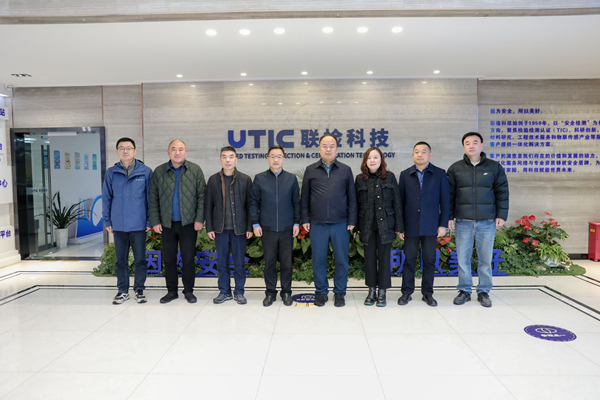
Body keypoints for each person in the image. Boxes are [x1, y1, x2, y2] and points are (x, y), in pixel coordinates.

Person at [447, 132, 509, 308]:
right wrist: (449, 217)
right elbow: (449, 195)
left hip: (486, 221)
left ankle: (484, 291)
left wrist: (501, 214)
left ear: (481, 145)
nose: (471, 146)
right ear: (463, 147)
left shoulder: (494, 167)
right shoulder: (455, 168)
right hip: (463, 221)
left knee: (485, 259)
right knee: (462, 259)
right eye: (467, 143)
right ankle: (464, 290)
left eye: (475, 142)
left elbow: (502, 192)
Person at [301, 134, 357, 307]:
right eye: (324, 146)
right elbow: (304, 198)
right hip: (318, 224)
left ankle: (339, 292)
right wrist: (305, 219)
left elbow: (352, 197)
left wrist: (352, 219)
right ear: (319, 148)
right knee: (318, 260)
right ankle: (321, 292)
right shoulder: (310, 170)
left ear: (337, 149)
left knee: (341, 260)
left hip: (340, 223)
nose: (328, 149)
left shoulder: (345, 170)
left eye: (332, 146)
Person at [149, 140, 206, 304]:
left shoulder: (195, 170)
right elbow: (153, 197)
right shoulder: (159, 171)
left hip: (188, 223)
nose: (177, 152)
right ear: (168, 152)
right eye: (173, 149)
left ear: (186, 152)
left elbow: (202, 196)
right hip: (166, 224)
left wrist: (199, 219)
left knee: (188, 259)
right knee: (169, 260)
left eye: (181, 149)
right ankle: (171, 291)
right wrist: (155, 221)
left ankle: (188, 291)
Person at [398, 141, 450, 307]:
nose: (419, 154)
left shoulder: (439, 174)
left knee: (429, 260)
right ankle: (406, 292)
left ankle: (427, 293)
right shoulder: (405, 175)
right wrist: (400, 226)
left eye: (423, 151)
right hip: (410, 225)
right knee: (409, 260)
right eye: (416, 152)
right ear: (413, 155)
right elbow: (400, 203)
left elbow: (445, 201)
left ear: (430, 155)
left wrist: (442, 225)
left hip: (431, 224)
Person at [102, 137, 153, 305]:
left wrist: (149, 220)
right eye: (122, 148)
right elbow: (106, 198)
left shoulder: (145, 172)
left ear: (135, 151)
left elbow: (150, 199)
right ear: (117, 151)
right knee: (120, 260)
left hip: (139, 224)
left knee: (140, 260)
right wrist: (107, 220)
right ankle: (122, 291)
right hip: (119, 225)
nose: (125, 151)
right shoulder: (111, 172)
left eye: (129, 148)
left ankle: (139, 290)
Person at [250, 145, 301, 307]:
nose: (276, 159)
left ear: (284, 159)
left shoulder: (291, 179)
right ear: (268, 159)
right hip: (267, 228)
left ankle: (286, 292)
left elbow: (296, 202)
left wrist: (296, 222)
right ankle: (270, 292)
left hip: (287, 228)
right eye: (273, 156)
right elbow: (254, 202)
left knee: (287, 263)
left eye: (279, 156)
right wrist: (255, 223)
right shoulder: (259, 178)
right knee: (269, 263)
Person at [355, 147, 403, 307]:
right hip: (366, 226)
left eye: (376, 157)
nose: (372, 160)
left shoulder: (389, 177)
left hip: (386, 226)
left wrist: (400, 227)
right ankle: (371, 291)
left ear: (381, 160)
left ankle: (382, 292)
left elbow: (397, 203)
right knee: (369, 260)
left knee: (384, 259)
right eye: (369, 158)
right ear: (365, 161)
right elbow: (355, 205)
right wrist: (356, 227)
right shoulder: (360, 179)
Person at [205, 146, 253, 305]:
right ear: (220, 160)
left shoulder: (245, 179)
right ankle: (224, 291)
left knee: (239, 263)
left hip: (240, 229)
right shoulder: (213, 180)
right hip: (220, 229)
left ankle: (239, 292)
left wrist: (249, 227)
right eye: (224, 157)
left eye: (231, 157)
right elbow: (208, 206)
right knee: (222, 263)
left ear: (236, 160)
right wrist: (209, 227)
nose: (227, 160)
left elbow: (250, 206)